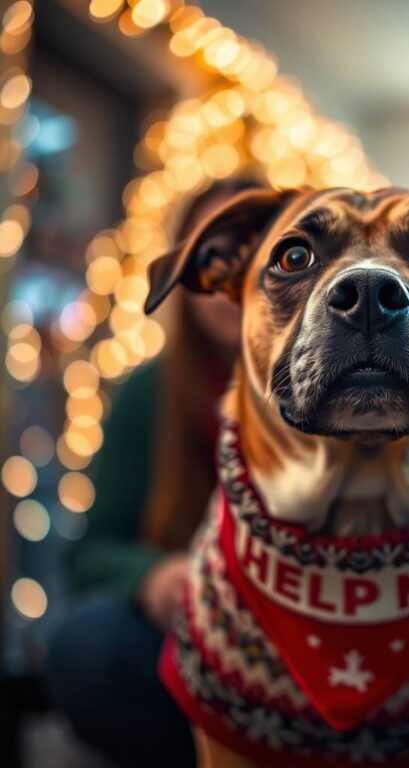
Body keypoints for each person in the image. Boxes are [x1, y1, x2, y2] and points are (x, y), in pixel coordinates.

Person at [46, 178, 258, 768]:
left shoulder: (329, 399)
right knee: (89, 644)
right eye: (211, 257)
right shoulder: (149, 392)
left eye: (256, 254)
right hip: (194, 637)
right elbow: (89, 552)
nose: (231, 280)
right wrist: (154, 577)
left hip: (313, 635)